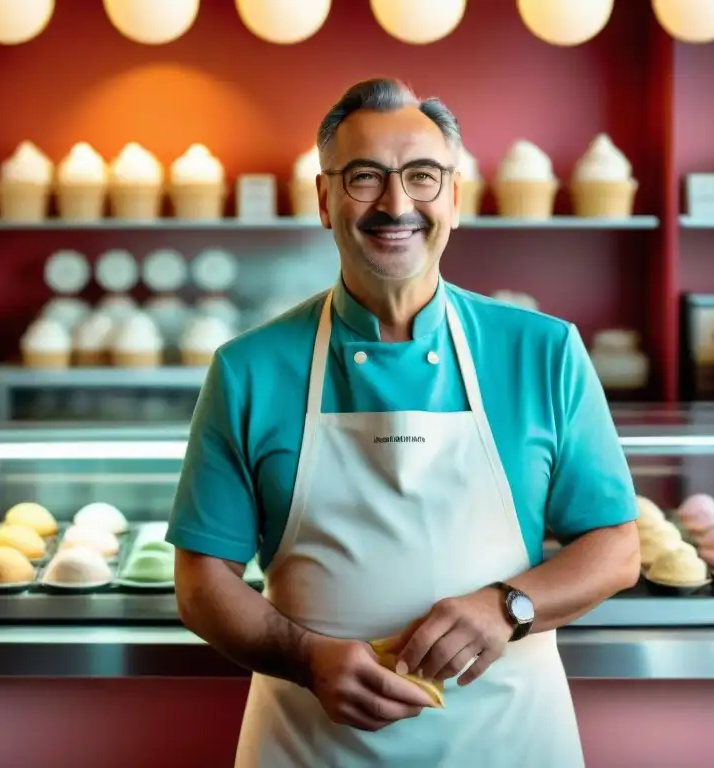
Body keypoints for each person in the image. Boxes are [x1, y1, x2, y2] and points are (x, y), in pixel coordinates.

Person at [167, 77, 641, 768]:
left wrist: (505, 606)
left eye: (422, 176)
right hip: (311, 745)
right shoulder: (248, 368)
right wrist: (304, 657)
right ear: (325, 200)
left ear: (454, 196)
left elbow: (617, 548)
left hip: (508, 742)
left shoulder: (543, 352)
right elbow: (201, 581)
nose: (396, 204)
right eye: (365, 177)